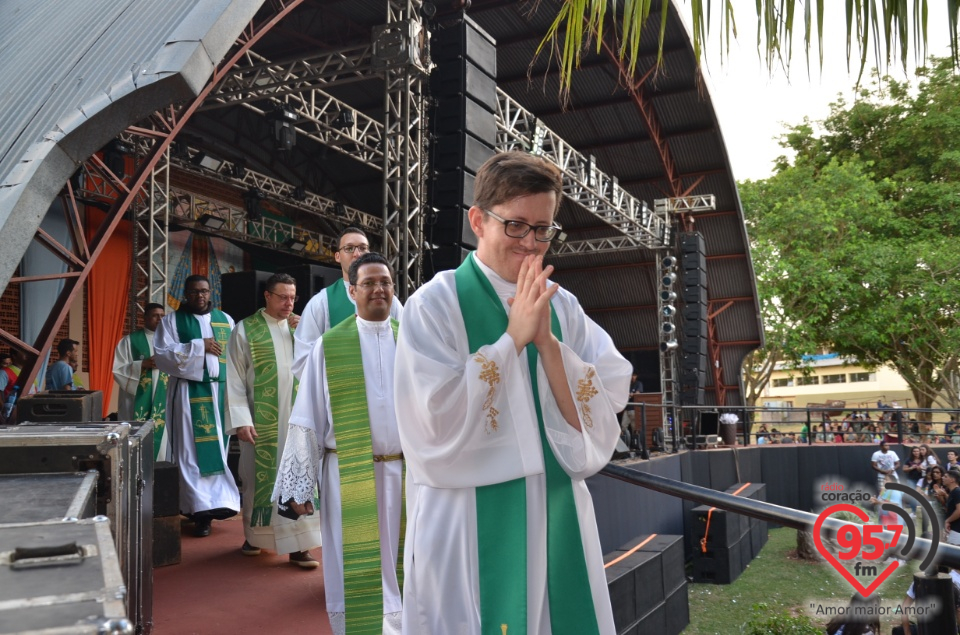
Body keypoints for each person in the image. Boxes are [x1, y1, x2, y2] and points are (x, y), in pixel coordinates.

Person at [394, 151, 632, 634]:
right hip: (467, 512)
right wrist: (511, 341)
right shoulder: (434, 305)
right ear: (478, 221)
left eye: (543, 229)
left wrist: (547, 344)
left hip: (556, 504)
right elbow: (432, 420)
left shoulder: (563, 305)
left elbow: (602, 405)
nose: (531, 243)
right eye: (517, 226)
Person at [274, 253, 404, 633]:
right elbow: (306, 415)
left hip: (408, 474)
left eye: (386, 282)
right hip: (347, 476)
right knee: (356, 568)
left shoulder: (412, 341)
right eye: (369, 283)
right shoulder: (329, 347)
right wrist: (298, 485)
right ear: (352, 291)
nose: (379, 289)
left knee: (409, 563)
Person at [225, 273, 322, 569]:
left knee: (300, 478)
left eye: (293, 298)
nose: (289, 303)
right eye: (282, 297)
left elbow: (320, 367)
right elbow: (234, 378)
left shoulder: (303, 328)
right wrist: (241, 419)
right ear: (267, 296)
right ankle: (257, 535)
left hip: (299, 420)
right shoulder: (245, 330)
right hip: (261, 422)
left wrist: (310, 336)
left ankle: (300, 545)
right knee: (257, 480)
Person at [154, 274, 240, 538]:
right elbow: (162, 355)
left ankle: (217, 503)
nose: (199, 296)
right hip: (188, 393)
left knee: (217, 451)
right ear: (185, 294)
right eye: (194, 292)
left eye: (204, 291)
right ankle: (197, 510)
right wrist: (198, 346)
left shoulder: (226, 320)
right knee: (190, 454)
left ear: (210, 292)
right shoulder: (170, 321)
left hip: (219, 392)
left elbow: (237, 355)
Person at [291, 226, 402, 379]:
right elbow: (302, 362)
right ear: (337, 256)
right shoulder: (321, 303)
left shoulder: (390, 301)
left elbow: (407, 349)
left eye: (362, 248)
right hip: (342, 394)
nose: (357, 254)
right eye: (349, 248)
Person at [112, 303, 169, 459]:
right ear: (145, 318)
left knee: (161, 446)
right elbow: (118, 369)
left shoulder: (170, 342)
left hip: (162, 398)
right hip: (136, 398)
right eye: (155, 315)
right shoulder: (130, 341)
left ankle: (158, 475)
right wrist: (142, 365)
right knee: (133, 439)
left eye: (163, 316)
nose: (160, 319)